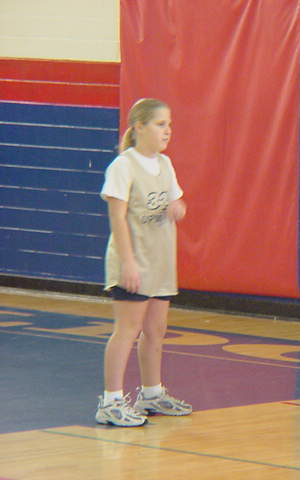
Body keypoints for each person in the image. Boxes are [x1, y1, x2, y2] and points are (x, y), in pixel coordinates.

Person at [95, 98, 192, 427]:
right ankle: (111, 401)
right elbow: (117, 218)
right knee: (127, 330)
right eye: (160, 124)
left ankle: (151, 393)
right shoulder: (123, 166)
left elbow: (176, 201)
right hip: (134, 263)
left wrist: (178, 208)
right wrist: (128, 263)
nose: (168, 130)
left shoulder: (165, 164)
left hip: (160, 262)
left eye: (170, 125)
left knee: (156, 330)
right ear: (139, 127)